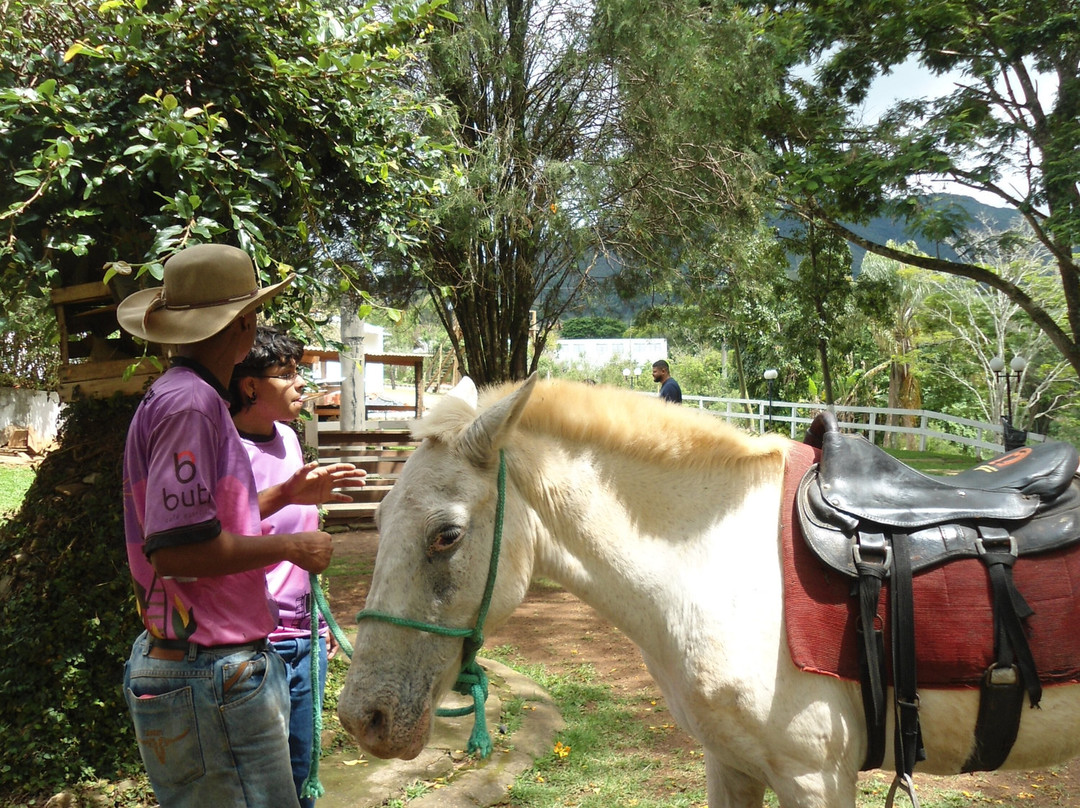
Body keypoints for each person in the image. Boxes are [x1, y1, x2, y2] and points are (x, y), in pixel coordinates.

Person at [117, 243, 334, 808]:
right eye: (252, 315)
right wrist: (291, 546)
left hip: (202, 668)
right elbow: (178, 551)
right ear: (241, 325)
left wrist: (285, 494)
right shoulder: (192, 406)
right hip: (211, 673)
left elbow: (196, 523)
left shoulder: (180, 398)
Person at [230, 327, 366, 808]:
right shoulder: (225, 449)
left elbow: (302, 539)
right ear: (250, 386)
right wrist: (286, 504)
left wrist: (318, 621)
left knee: (301, 770)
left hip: (303, 639)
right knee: (258, 784)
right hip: (253, 646)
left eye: (298, 372)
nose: (300, 383)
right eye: (286, 374)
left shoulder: (288, 438)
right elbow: (218, 536)